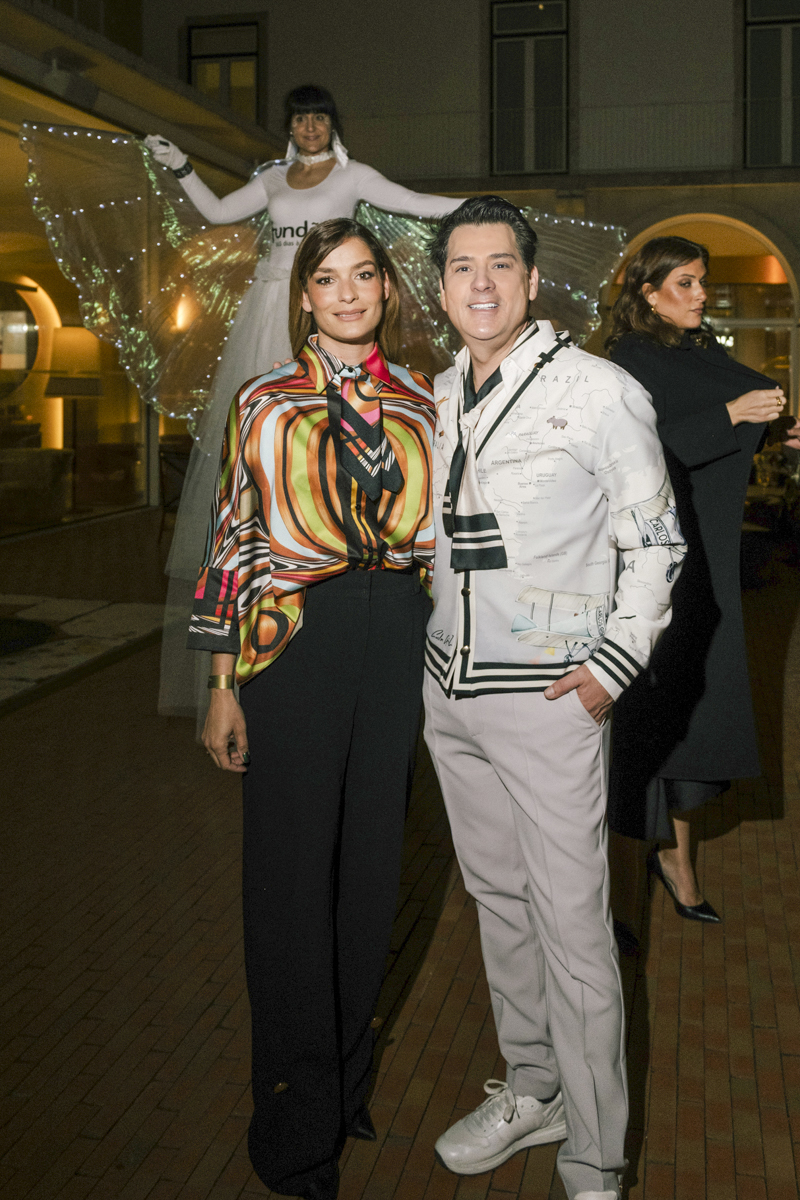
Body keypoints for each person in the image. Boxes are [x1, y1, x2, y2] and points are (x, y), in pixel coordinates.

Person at [421, 197, 685, 1200]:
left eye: (499, 265)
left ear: (531, 282)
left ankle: (595, 1156)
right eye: (461, 267)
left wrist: (614, 665)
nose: (480, 283)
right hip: (451, 695)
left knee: (573, 931)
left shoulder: (598, 390)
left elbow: (655, 542)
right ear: (442, 287)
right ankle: (533, 1088)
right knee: (498, 907)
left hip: (548, 699)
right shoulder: (439, 390)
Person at [186, 218, 435, 1200]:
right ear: (303, 297)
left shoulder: (423, 400)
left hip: (399, 639)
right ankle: (294, 1128)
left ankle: (343, 1084)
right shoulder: (265, 400)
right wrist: (220, 685)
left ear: (385, 289)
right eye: (327, 279)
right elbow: (231, 542)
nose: (347, 293)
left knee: (371, 876)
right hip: (294, 643)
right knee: (291, 885)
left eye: (362, 276)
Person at [152, 84, 460, 724]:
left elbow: (414, 203)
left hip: (386, 612)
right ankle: (271, 594)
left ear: (332, 125)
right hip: (274, 304)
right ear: (290, 127)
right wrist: (181, 166)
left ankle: (342, 542)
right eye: (301, 119)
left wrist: (480, 209)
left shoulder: (354, 176)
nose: (311, 127)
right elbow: (217, 212)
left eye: (320, 117)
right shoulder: (271, 178)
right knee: (267, 446)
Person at [605, 237, 786, 928]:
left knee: (694, 708)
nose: (702, 293)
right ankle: (626, 891)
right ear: (648, 292)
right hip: (654, 563)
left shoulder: (695, 350)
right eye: (685, 282)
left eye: (702, 280)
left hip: (705, 558)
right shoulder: (627, 359)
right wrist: (732, 417)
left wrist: (779, 431)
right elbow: (638, 453)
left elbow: (719, 410)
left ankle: (676, 861)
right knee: (648, 715)